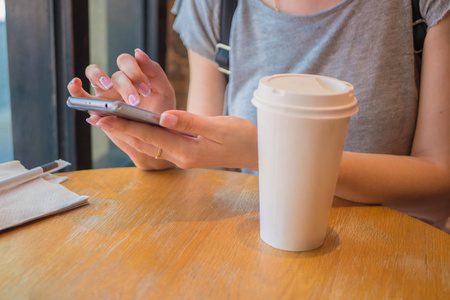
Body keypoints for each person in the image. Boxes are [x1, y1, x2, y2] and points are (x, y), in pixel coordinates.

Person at [68, 0, 450, 232]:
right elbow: (205, 171)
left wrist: (267, 154)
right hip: (256, 248)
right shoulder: (217, 5)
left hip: (398, 257)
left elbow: (440, 186)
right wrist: (159, 141)